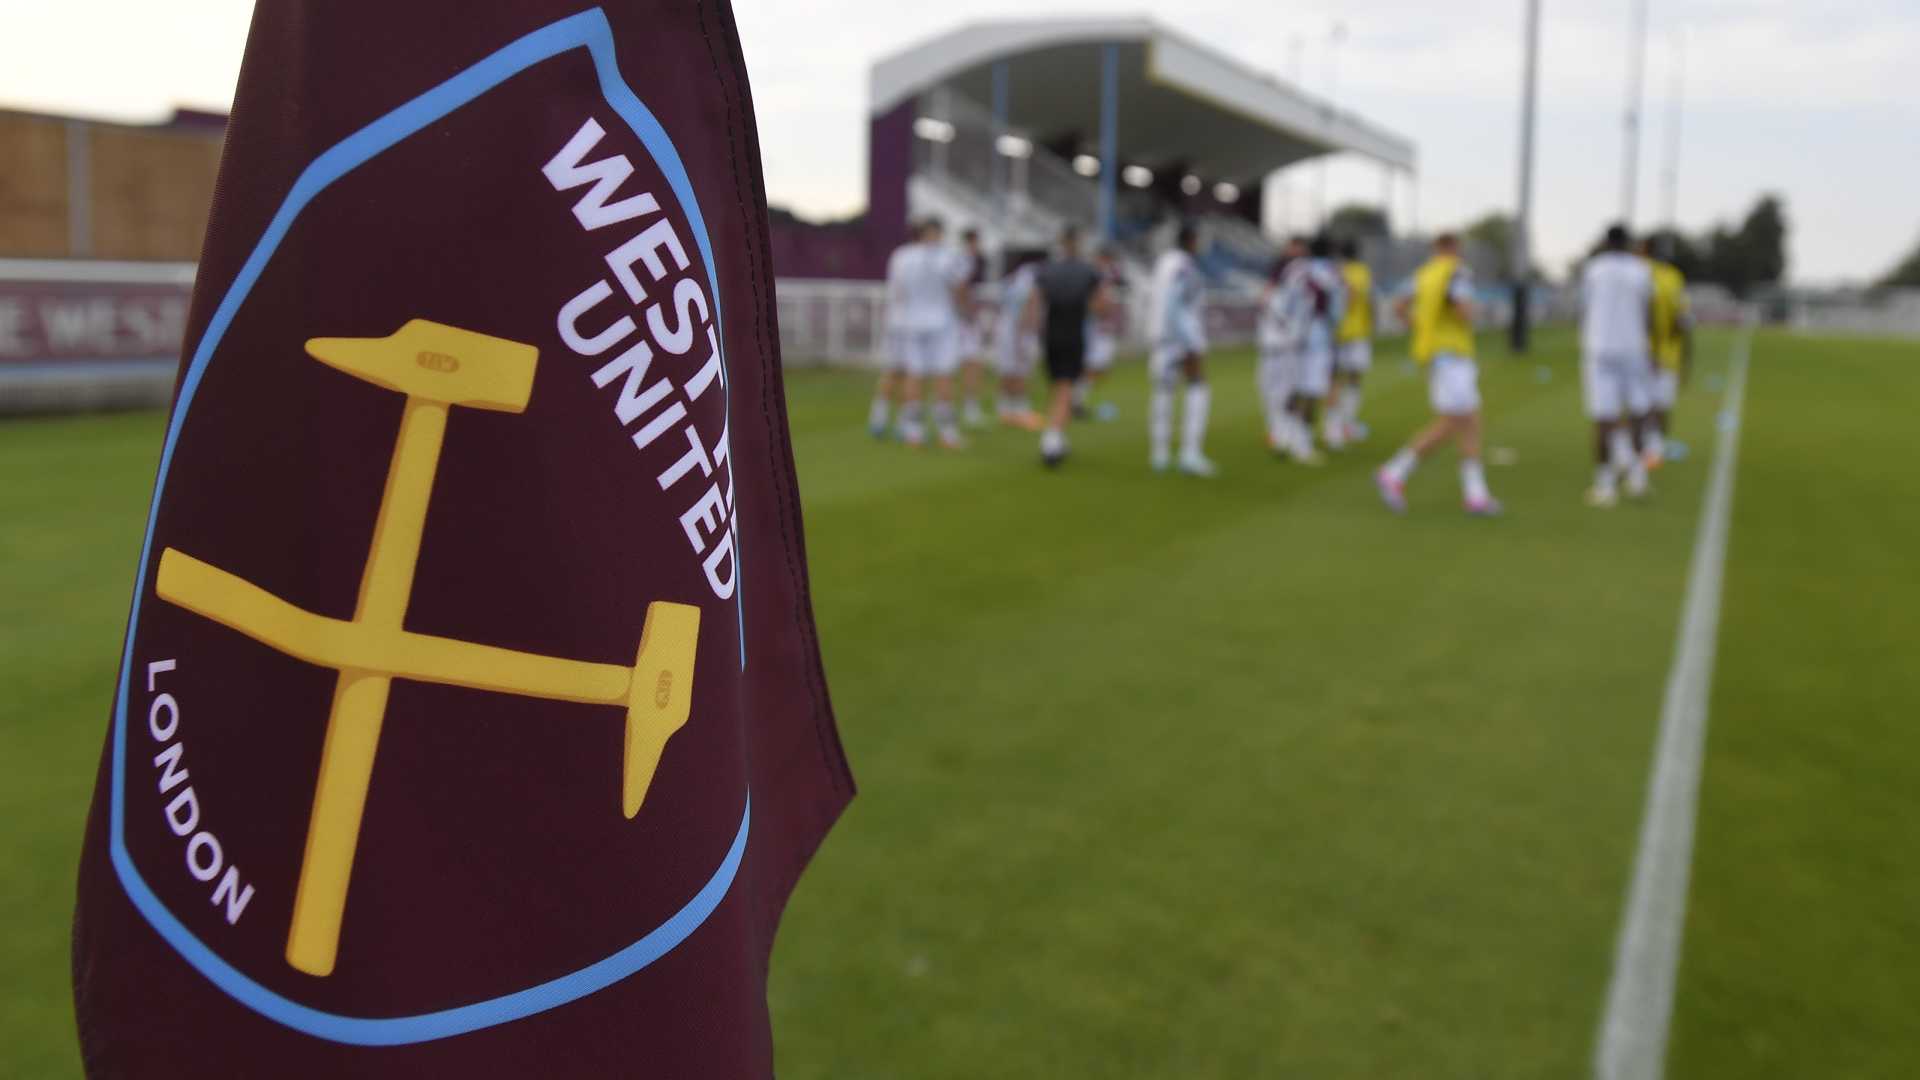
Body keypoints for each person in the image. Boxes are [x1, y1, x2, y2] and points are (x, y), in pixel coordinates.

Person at [1375, 232, 1501, 516]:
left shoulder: (1423, 274)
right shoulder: (1456, 273)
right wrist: (1470, 314)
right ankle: (1395, 472)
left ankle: (1476, 494)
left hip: (1434, 353)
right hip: (1453, 354)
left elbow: (1398, 306)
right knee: (1456, 421)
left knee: (1470, 421)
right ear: (1455, 248)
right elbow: (1463, 311)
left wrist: (1419, 328)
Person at [1580, 223, 1655, 506]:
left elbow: (1585, 309)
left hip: (1600, 349)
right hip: (1633, 348)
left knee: (1604, 419)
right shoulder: (1640, 270)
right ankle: (1637, 476)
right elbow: (1646, 312)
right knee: (1637, 413)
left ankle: (1605, 484)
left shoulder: (1594, 269)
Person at [1023, 226, 1110, 467]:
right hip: (1073, 335)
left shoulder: (1047, 270)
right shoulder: (1089, 271)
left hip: (1050, 336)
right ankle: (1051, 440)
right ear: (1079, 242)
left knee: (1058, 386)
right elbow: (1102, 306)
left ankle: (1058, 436)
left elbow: (1033, 304)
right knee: (1066, 387)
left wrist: (1029, 334)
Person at [882, 217, 968, 449]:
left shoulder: (901, 256)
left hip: (910, 322)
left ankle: (913, 431)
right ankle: (946, 432)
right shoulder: (949, 256)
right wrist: (965, 312)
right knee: (943, 375)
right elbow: (959, 289)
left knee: (915, 374)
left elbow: (897, 291)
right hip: (941, 323)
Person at [1146, 223, 1218, 476]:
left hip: (1160, 335)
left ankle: (1160, 453)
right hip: (1180, 336)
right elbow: (1176, 302)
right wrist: (1189, 339)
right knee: (1198, 385)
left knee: (1163, 392)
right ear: (1192, 240)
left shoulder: (1163, 263)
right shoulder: (1185, 266)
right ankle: (1190, 452)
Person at [1281, 234, 1345, 460]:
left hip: (1292, 336)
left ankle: (1284, 436)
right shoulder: (1331, 273)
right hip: (1317, 338)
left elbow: (1284, 304)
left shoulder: (1294, 270)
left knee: (1294, 386)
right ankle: (1303, 444)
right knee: (1312, 390)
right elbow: (1337, 310)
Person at [1639, 235, 1693, 468]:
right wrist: (1685, 359)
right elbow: (1682, 322)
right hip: (1667, 354)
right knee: (1660, 406)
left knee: (1640, 406)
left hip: (1640, 353)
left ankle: (1639, 450)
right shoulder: (1673, 277)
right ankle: (1655, 449)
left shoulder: (1640, 273)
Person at [1257, 237, 1309, 458]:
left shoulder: (1294, 285)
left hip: (1285, 345)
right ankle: (1279, 432)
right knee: (1269, 389)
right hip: (1273, 345)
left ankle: (1286, 435)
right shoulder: (1278, 285)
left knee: (1284, 391)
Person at [1330, 237, 1376, 446]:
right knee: (1353, 379)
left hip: (1337, 333)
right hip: (1356, 333)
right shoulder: (1361, 272)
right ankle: (1345, 425)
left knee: (1336, 380)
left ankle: (1336, 427)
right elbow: (1361, 299)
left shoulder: (1336, 271)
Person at [992, 253, 1045, 430]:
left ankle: (1005, 409)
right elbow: (1031, 305)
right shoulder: (1031, 279)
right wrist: (1029, 330)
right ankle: (1021, 410)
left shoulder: (1010, 280)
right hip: (1018, 330)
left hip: (1005, 327)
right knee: (1021, 369)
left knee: (1008, 368)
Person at [1076, 247, 1124, 421]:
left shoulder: (1105, 277)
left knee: (1099, 368)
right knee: (1091, 366)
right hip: (1093, 328)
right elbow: (1093, 304)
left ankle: (1077, 399)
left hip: (1102, 328)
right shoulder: (1092, 277)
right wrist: (1104, 308)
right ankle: (1076, 402)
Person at [952, 227, 993, 428]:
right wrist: (968, 312)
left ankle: (959, 406)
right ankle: (969, 408)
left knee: (964, 363)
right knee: (972, 362)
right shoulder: (965, 261)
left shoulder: (961, 259)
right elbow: (961, 288)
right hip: (964, 320)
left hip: (958, 318)